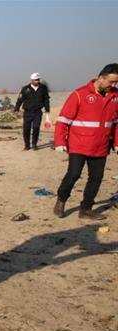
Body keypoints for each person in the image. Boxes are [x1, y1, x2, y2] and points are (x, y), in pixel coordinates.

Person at [53, 63, 118, 220]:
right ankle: (61, 200)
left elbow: (116, 123)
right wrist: (59, 142)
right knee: (73, 175)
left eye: (116, 82)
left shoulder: (115, 96)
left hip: (101, 146)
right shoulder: (79, 94)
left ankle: (86, 209)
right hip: (79, 145)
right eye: (111, 82)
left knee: (96, 179)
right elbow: (63, 120)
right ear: (101, 78)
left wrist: (116, 142)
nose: (113, 85)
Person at [14, 73, 51, 150]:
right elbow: (20, 100)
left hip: (37, 112)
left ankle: (34, 144)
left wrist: (47, 110)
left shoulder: (43, 88)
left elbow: (46, 100)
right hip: (28, 112)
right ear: (31, 80)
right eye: (35, 80)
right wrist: (16, 109)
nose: (37, 81)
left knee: (36, 127)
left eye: (38, 79)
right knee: (26, 129)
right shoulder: (25, 89)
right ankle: (27, 145)